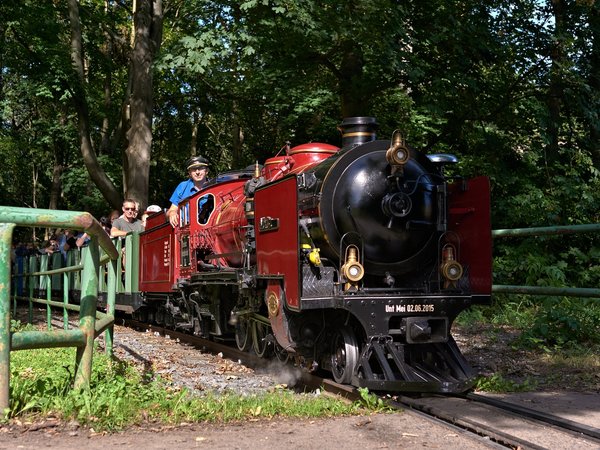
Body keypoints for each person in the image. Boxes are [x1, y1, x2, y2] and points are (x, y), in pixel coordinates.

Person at [167, 156, 209, 227]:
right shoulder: (182, 187)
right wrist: (172, 213)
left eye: (201, 168)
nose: (197, 172)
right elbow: (171, 209)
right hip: (186, 230)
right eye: (193, 169)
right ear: (189, 173)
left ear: (207, 171)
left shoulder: (215, 186)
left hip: (210, 228)